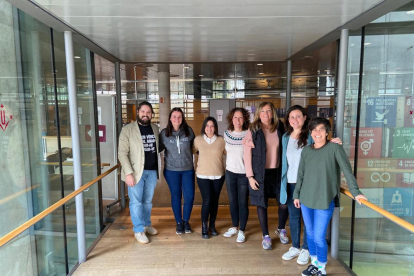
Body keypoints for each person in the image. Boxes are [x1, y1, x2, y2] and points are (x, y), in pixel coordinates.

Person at [293, 117, 367, 276]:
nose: (317, 133)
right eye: (314, 130)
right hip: (306, 199)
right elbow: (301, 175)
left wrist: (356, 192)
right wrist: (296, 194)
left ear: (327, 132)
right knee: (310, 234)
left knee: (319, 237)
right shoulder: (306, 150)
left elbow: (347, 171)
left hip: (325, 199)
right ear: (310, 132)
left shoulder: (334, 148)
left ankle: (322, 268)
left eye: (321, 129)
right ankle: (314, 263)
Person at [280, 105, 343, 265]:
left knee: (308, 219)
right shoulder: (286, 137)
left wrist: (333, 141)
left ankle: (306, 249)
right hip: (290, 182)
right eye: (292, 117)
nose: (295, 120)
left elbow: (323, 146)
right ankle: (295, 246)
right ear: (288, 120)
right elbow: (285, 162)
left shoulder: (312, 135)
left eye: (298, 116)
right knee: (293, 216)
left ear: (304, 118)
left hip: (308, 184)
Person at [243, 102, 287, 250]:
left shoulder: (280, 127)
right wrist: (250, 176)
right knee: (262, 203)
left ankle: (281, 228)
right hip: (259, 173)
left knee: (283, 203)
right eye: (263, 111)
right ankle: (266, 235)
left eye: (268, 111)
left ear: (273, 112)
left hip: (278, 172)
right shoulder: (253, 129)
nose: (266, 114)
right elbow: (247, 154)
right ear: (258, 114)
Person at [118, 101, 160, 244]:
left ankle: (146, 224)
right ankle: (138, 229)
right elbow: (122, 153)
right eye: (143, 112)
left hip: (152, 171)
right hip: (135, 173)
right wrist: (128, 173)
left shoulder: (155, 128)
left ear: (151, 114)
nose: (145, 114)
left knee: (147, 201)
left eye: (148, 112)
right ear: (138, 113)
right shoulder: (128, 129)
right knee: (136, 202)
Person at [159, 108, 195, 235]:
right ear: (170, 118)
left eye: (179, 117)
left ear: (182, 118)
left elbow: (194, 147)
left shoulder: (189, 131)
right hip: (171, 170)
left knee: (189, 196)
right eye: (174, 116)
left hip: (187, 169)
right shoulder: (164, 133)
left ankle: (186, 221)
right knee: (176, 196)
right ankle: (179, 222)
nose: (177, 119)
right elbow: (157, 148)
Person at [193, 117, 226, 239]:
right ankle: (204, 227)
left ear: (215, 127)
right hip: (202, 175)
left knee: (215, 201)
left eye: (212, 126)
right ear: (204, 127)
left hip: (218, 175)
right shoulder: (198, 139)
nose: (209, 128)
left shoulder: (221, 140)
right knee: (207, 200)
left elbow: (229, 152)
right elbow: (193, 150)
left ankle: (212, 225)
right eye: (207, 126)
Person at [222, 108, 250, 243]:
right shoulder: (226, 134)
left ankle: (242, 230)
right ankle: (234, 227)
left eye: (240, 117)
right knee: (232, 202)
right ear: (231, 119)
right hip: (230, 173)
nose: (237, 120)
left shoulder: (249, 133)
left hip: (244, 174)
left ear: (244, 119)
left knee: (243, 202)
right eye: (235, 117)